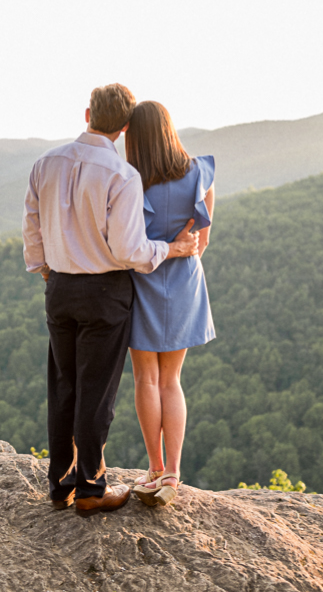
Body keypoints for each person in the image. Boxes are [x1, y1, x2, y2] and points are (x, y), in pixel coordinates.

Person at [23, 84, 199, 516]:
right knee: (95, 393)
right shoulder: (122, 175)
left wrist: (44, 268)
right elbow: (130, 252)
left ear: (87, 114)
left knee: (63, 386)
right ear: (123, 127)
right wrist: (172, 250)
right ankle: (91, 489)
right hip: (104, 292)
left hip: (59, 287)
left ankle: (60, 484)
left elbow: (32, 226)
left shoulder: (45, 163)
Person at [123, 100, 216, 507]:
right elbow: (203, 242)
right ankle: (174, 475)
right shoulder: (200, 172)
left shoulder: (129, 180)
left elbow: (125, 243)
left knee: (145, 379)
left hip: (140, 282)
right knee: (171, 381)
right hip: (183, 282)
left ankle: (155, 469)